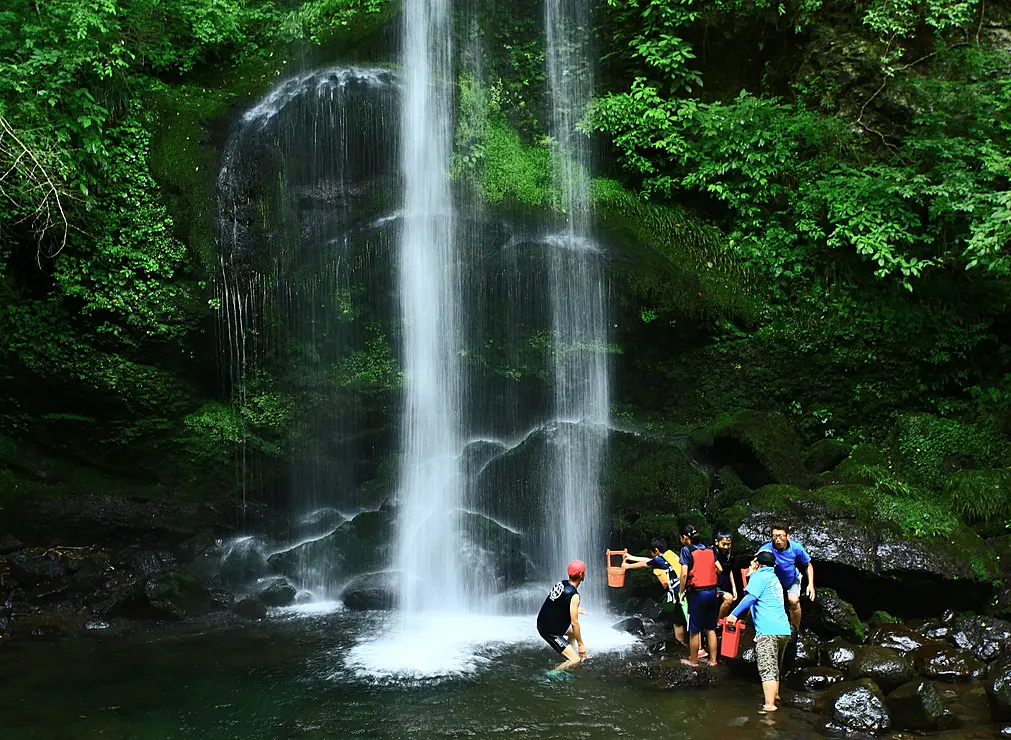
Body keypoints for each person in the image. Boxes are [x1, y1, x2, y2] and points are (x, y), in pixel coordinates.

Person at [726, 550, 793, 714]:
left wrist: (733, 614)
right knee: (775, 666)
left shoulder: (758, 577)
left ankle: (769, 706)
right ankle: (775, 696)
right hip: (784, 629)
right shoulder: (774, 579)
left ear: (757, 563)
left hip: (768, 631)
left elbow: (750, 598)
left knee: (767, 668)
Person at [623, 537, 688, 649]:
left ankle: (685, 646)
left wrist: (628, 566)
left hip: (678, 594)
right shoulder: (668, 555)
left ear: (656, 550)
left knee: (681, 618)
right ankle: (683, 643)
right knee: (680, 619)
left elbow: (645, 564)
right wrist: (631, 557)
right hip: (686, 590)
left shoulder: (659, 560)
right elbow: (648, 560)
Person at [679, 524, 722, 666]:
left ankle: (694, 662)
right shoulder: (709, 549)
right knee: (710, 628)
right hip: (711, 592)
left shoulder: (686, 550)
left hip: (697, 594)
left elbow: (684, 574)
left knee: (694, 630)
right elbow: (720, 569)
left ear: (685, 538)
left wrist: (681, 592)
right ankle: (713, 661)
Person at [758, 522, 815, 631]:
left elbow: (808, 565)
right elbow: (756, 564)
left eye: (780, 536)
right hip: (774, 582)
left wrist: (810, 584)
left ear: (787, 536)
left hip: (792, 579)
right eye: (774, 536)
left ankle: (795, 631)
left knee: (793, 601)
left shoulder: (796, 548)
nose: (777, 540)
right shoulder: (766, 549)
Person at [536, 559, 588, 672]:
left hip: (544, 622)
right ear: (581, 574)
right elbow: (574, 623)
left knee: (574, 634)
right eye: (584, 571)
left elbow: (555, 602)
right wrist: (581, 645)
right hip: (550, 630)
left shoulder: (562, 583)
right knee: (576, 660)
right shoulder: (574, 595)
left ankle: (567, 652)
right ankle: (551, 675)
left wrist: (575, 609)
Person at [714, 531, 738, 620]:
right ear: (717, 542)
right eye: (723, 544)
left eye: (728, 544)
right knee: (728, 599)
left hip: (725, 583)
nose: (726, 547)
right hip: (714, 585)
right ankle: (718, 623)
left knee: (729, 601)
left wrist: (734, 587)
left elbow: (729, 569)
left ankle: (720, 623)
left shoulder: (729, 553)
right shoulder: (712, 552)